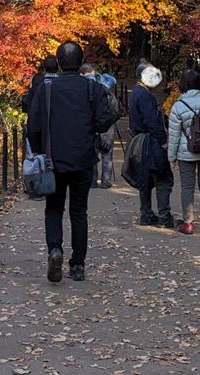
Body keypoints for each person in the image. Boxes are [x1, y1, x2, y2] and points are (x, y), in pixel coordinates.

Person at [27, 41, 120, 283]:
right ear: (80, 63)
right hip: (83, 160)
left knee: (54, 208)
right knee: (79, 212)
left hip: (53, 161)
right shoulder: (92, 90)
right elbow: (104, 121)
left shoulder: (46, 90)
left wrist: (39, 151)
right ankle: (77, 265)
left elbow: (33, 126)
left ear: (58, 62)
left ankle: (54, 250)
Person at [167, 69, 200, 234]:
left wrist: (172, 156)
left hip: (186, 153)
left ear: (182, 85)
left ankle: (189, 223)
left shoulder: (177, 106)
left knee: (187, 187)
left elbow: (174, 135)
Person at [128, 64, 174, 228]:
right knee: (163, 178)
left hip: (139, 141)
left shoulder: (135, 92)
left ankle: (146, 213)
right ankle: (163, 216)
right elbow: (152, 121)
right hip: (150, 142)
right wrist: (163, 141)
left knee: (145, 179)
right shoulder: (145, 95)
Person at [96, 72, 119, 188]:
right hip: (108, 128)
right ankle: (105, 180)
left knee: (93, 153)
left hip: (95, 127)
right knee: (107, 154)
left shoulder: (95, 94)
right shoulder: (111, 97)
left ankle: (92, 180)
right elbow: (116, 112)